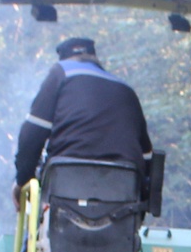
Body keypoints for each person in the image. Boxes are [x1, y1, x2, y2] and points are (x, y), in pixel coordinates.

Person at [12, 37, 153, 190]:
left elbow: (32, 135)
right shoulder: (126, 89)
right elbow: (147, 157)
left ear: (65, 58)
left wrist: (23, 181)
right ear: (95, 59)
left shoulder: (61, 71)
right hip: (123, 189)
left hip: (66, 184)